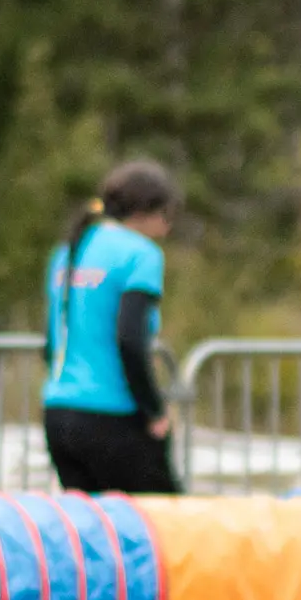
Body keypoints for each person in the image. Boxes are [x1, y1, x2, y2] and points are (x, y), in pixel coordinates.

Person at [42, 159, 181, 494]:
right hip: (112, 414)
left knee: (94, 539)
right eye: (169, 213)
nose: (170, 225)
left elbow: (51, 343)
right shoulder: (141, 254)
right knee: (166, 530)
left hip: (59, 415)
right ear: (149, 211)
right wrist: (154, 410)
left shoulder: (67, 252)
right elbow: (130, 339)